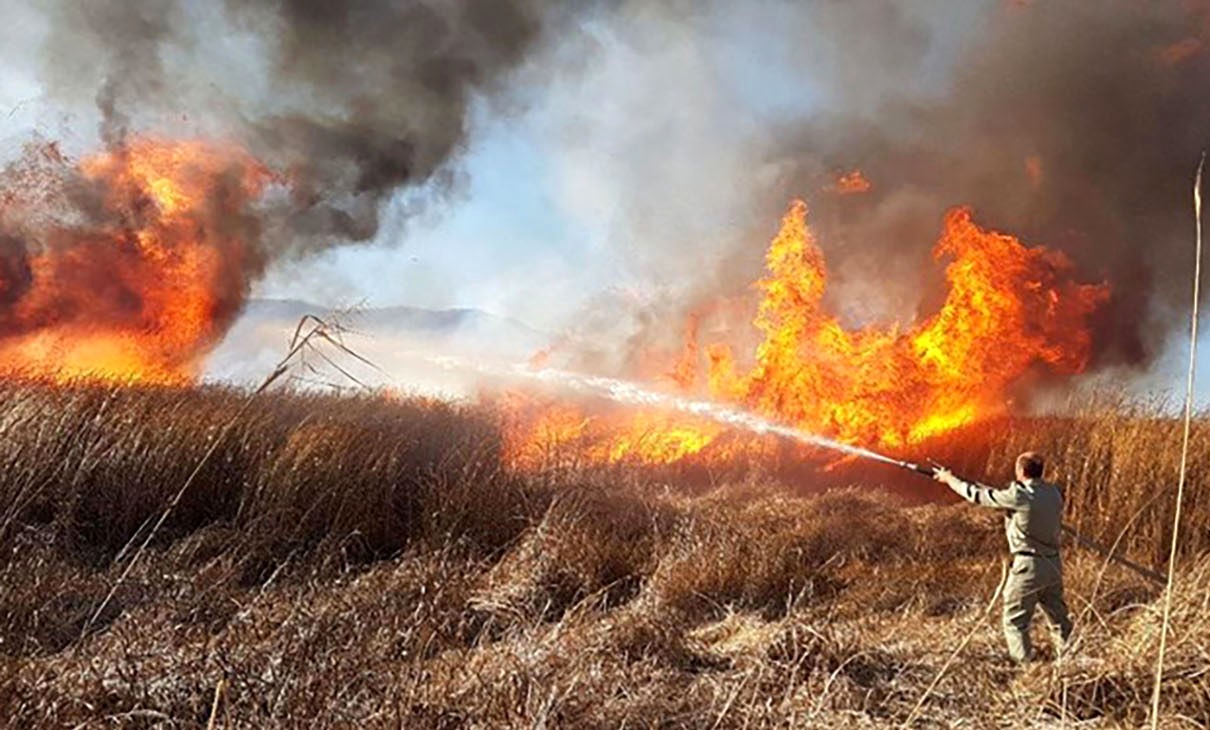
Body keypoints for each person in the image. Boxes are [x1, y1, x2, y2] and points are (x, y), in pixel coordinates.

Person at [933, 451, 1073, 664]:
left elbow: (976, 496)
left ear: (1021, 471)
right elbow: (1005, 496)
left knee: (1015, 622)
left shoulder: (1019, 496)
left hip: (1028, 568)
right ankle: (1069, 662)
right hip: (1053, 566)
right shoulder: (1053, 494)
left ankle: (1026, 671)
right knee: (1059, 621)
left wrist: (949, 479)